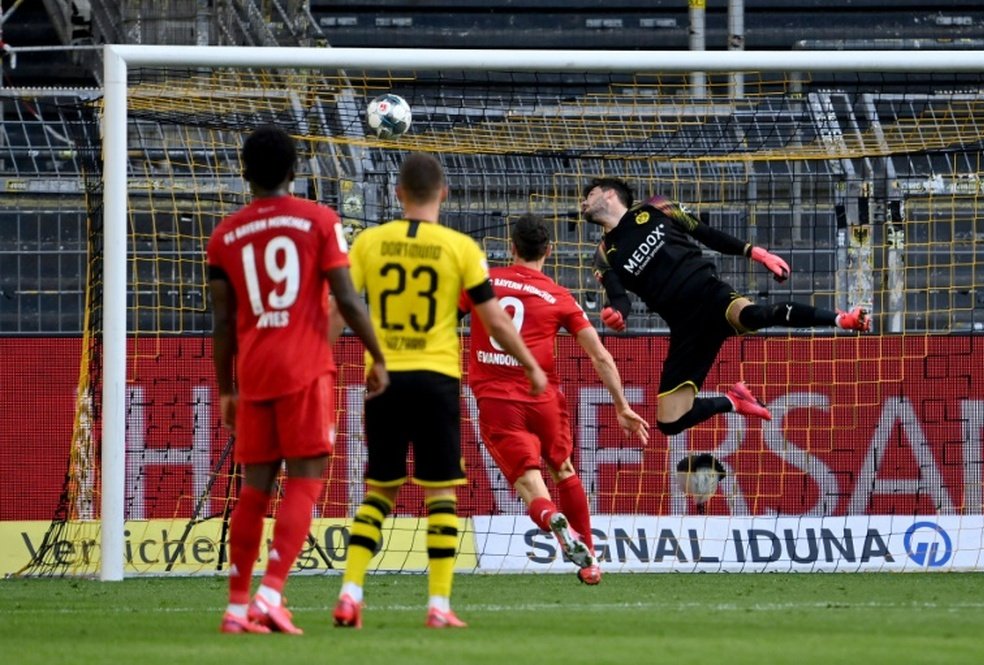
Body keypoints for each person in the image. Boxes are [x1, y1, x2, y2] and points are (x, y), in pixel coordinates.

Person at [333, 152, 548, 630]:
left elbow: (342, 308)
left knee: (380, 491)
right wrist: (531, 364)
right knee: (441, 496)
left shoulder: (370, 241)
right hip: (435, 380)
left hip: (383, 378)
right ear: (444, 195)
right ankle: (439, 605)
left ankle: (350, 593)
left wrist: (316, 359)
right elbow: (492, 319)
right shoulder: (461, 248)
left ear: (397, 195)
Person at [207, 124, 389, 635]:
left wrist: (226, 388)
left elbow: (222, 324)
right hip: (305, 366)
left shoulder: (223, 236)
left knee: (254, 491)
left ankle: (237, 607)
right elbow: (348, 300)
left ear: (245, 174)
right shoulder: (319, 220)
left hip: (254, 371)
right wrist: (379, 356)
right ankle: (270, 595)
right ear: (295, 171)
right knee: (306, 483)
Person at [581, 177, 870, 438]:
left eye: (589, 194)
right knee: (669, 422)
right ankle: (734, 401)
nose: (583, 202)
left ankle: (841, 320)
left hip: (710, 295)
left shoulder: (656, 206)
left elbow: (705, 232)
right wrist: (616, 314)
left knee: (755, 315)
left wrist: (758, 253)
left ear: (609, 195)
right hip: (684, 328)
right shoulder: (603, 256)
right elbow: (619, 298)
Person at [459, 214, 649, 585]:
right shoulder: (561, 297)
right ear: (550, 250)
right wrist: (622, 406)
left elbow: (443, 316)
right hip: (543, 398)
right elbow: (600, 355)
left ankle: (550, 519)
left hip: (498, 399)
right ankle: (590, 558)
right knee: (564, 471)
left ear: (511, 247)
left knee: (529, 482)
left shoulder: (481, 284)